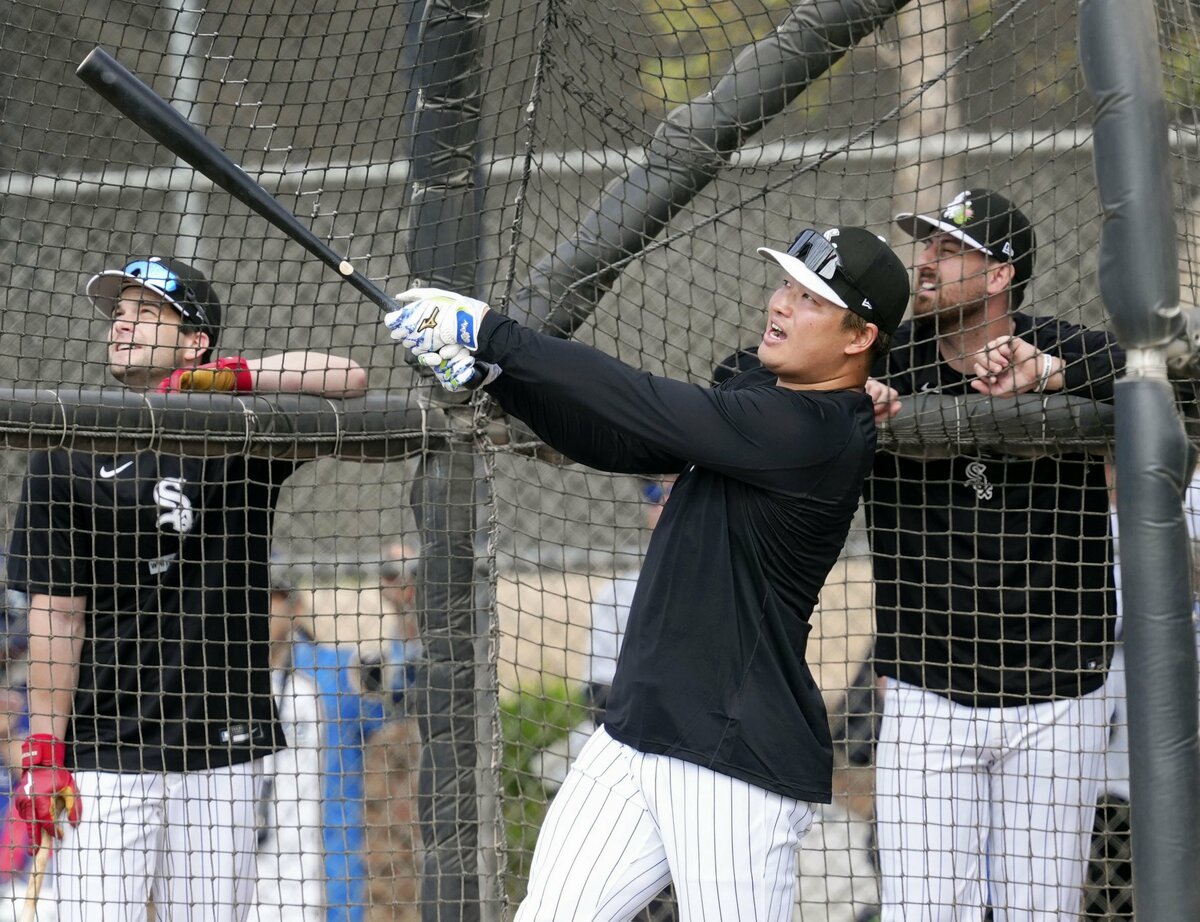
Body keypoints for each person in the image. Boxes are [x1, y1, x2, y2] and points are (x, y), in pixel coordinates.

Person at [384, 224, 911, 921]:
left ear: (857, 338)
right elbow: (619, 438)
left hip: (733, 756)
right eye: (785, 283)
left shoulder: (814, 431)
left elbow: (643, 401)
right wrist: (500, 381)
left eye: (809, 298)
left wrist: (491, 332)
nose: (781, 304)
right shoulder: (765, 399)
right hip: (635, 734)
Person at [5, 255, 367, 922]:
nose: (123, 324)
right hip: (104, 753)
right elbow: (57, 616)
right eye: (119, 313)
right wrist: (43, 753)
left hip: (223, 749)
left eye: (147, 312)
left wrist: (220, 380)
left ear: (195, 339)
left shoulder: (240, 432)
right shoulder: (67, 445)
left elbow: (347, 379)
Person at [863, 189, 1125, 921]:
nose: (926, 261)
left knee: (1041, 912)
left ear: (1002, 274)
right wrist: (856, 387)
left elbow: (1172, 375)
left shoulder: (1065, 346)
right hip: (928, 691)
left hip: (1060, 692)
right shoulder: (888, 356)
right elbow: (744, 371)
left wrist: (1051, 375)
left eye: (950, 249)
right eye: (927, 245)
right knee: (919, 913)